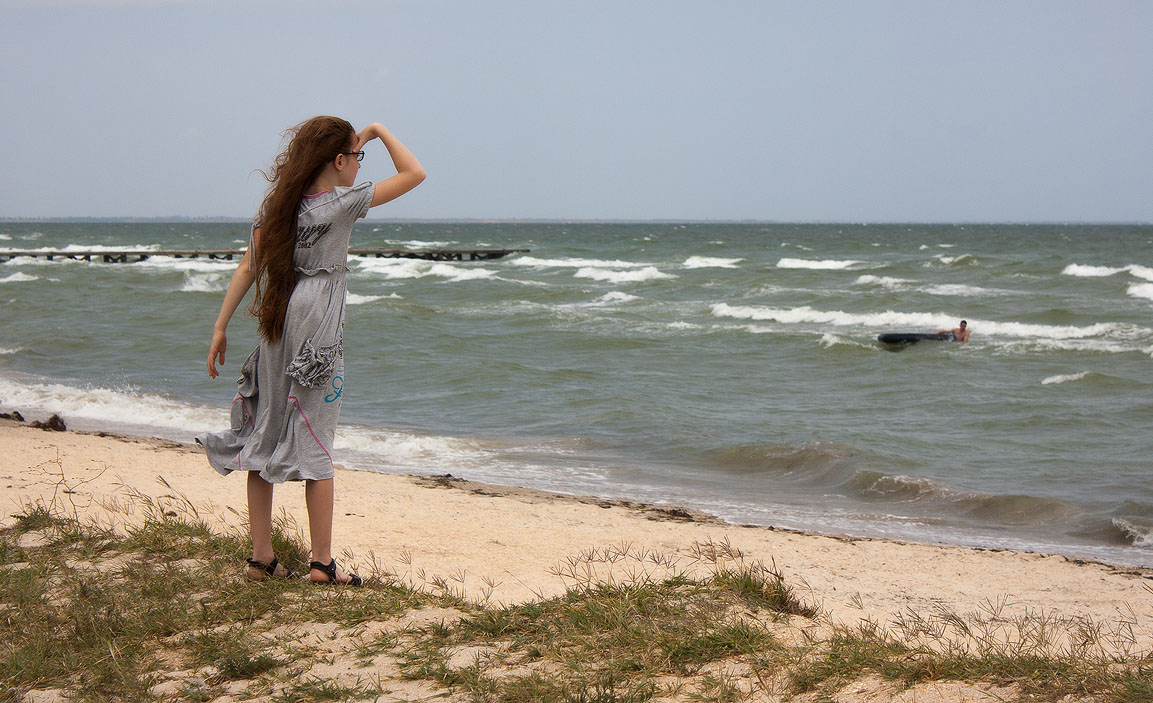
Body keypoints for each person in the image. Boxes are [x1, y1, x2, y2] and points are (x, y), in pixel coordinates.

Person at [197, 116, 425, 585]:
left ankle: (262, 558)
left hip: (278, 321)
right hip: (317, 323)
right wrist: (378, 130)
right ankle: (321, 563)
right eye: (356, 158)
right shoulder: (341, 204)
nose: (360, 167)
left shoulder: (281, 205)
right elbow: (415, 174)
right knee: (317, 436)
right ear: (339, 161)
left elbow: (247, 268)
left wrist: (220, 327)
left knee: (264, 432)